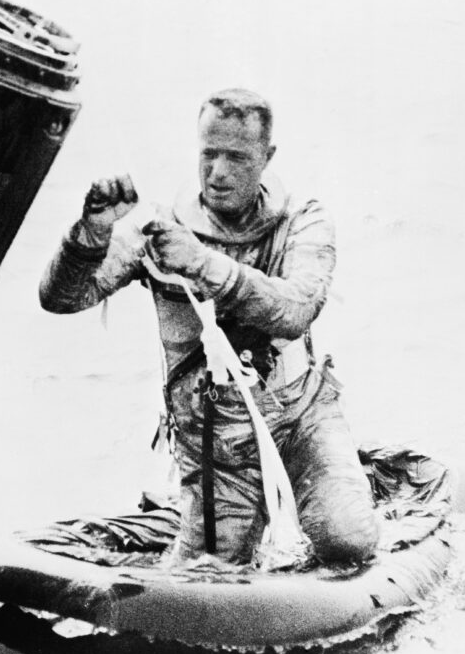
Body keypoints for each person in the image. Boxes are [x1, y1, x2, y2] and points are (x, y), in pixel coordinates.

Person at [39, 88, 378, 565]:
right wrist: (90, 233)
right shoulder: (160, 230)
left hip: (303, 417)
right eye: (209, 154)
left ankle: (355, 483)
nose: (218, 173)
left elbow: (297, 307)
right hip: (216, 440)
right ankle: (179, 515)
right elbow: (61, 299)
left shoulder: (302, 221)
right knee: (209, 572)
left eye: (237, 157)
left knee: (350, 540)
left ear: (267, 157)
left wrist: (202, 264)